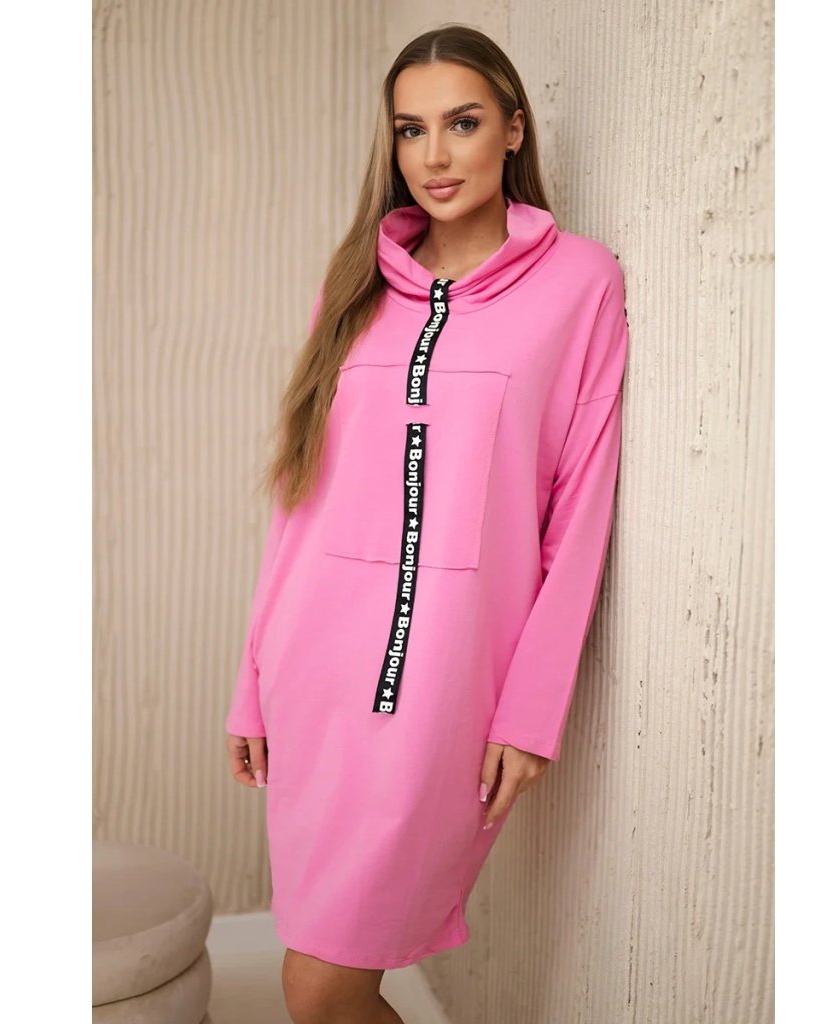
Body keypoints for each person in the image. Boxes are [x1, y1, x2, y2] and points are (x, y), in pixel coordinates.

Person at [224, 23, 629, 1024]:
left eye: (462, 123)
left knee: (319, 989)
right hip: (315, 673)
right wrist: (252, 682)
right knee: (317, 976)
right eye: (411, 130)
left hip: (450, 686)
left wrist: (529, 715)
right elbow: (298, 499)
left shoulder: (579, 284)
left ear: (513, 130)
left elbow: (579, 519)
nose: (435, 155)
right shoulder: (354, 286)